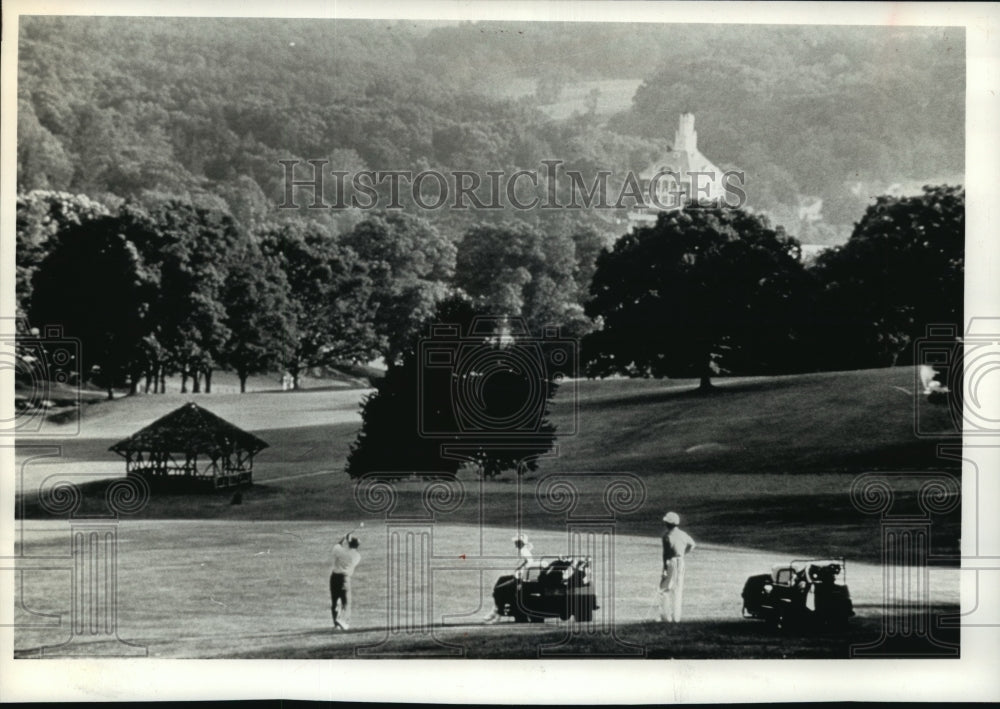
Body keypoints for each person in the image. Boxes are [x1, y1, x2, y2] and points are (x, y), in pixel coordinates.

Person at [484, 533, 534, 623]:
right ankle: (495, 610)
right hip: (518, 576)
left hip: (519, 578)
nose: (515, 543)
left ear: (520, 542)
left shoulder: (524, 552)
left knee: (498, 590)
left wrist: (521, 569)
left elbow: (528, 563)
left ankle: (497, 613)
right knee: (501, 579)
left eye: (516, 542)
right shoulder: (524, 550)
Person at [659, 511, 696, 623]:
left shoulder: (667, 536)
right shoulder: (683, 534)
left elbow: (665, 554)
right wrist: (684, 553)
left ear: (668, 523)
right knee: (678, 590)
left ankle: (666, 617)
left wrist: (664, 570)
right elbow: (693, 544)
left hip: (671, 562)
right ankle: (676, 617)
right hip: (681, 561)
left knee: (664, 589)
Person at [329, 532, 361, 630]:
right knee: (346, 602)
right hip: (345, 579)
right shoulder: (357, 556)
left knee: (334, 601)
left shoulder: (340, 551)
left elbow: (337, 545)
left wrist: (344, 538)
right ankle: (344, 622)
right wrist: (348, 539)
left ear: (349, 544)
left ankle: (336, 624)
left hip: (334, 578)